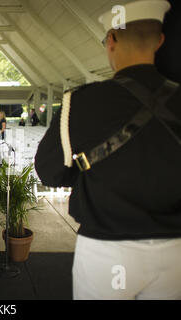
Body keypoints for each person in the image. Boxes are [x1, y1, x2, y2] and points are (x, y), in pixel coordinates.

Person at [35, 0, 181, 300]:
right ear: (160, 40)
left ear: (111, 40)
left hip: (108, 251)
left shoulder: (82, 103)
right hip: (175, 249)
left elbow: (49, 171)